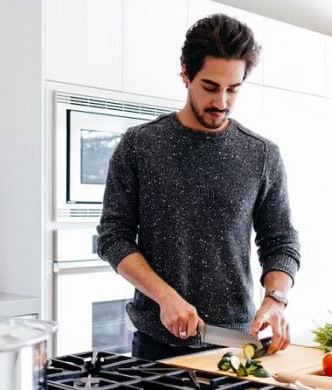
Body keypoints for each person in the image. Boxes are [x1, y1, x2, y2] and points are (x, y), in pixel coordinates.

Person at [96, 13, 300, 362]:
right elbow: (113, 238)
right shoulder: (139, 145)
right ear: (186, 74)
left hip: (236, 343)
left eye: (233, 88)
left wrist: (275, 299)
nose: (222, 101)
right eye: (210, 87)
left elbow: (280, 240)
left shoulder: (262, 154)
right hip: (156, 347)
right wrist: (165, 297)